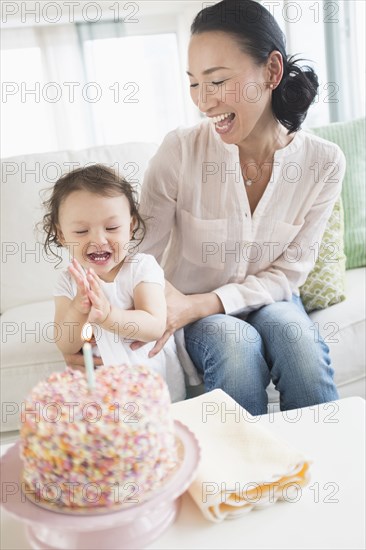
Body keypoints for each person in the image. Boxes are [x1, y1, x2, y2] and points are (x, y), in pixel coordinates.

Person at [131, 0, 345, 414]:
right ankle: (240, 478)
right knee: (235, 344)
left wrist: (205, 302)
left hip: (272, 299)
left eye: (217, 81)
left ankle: (323, 473)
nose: (204, 101)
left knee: (296, 340)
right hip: (193, 310)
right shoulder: (180, 151)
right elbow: (142, 258)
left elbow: (289, 272)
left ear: (271, 71)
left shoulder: (324, 162)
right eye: (194, 83)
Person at [40, 164, 185, 402]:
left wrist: (108, 316)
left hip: (151, 388)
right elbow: (66, 344)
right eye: (81, 231)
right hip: (101, 394)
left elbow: (154, 325)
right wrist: (78, 308)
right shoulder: (68, 283)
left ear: (131, 225)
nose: (98, 239)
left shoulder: (140, 268)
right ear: (62, 235)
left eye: (111, 228)